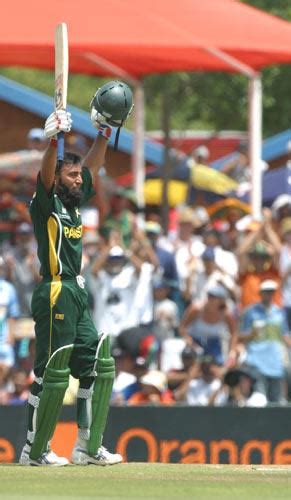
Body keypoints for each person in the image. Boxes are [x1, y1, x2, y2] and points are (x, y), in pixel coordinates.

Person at [19, 82, 133, 467]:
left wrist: (103, 131)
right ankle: (35, 450)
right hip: (53, 290)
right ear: (59, 178)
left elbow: (94, 165)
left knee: (99, 362)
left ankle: (88, 446)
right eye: (72, 175)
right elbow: (48, 172)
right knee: (52, 371)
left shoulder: (75, 200)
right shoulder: (46, 201)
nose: (79, 179)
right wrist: (54, 141)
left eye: (80, 176)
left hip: (77, 292)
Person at [239, 280, 291, 403]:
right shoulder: (250, 312)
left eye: (271, 292)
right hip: (256, 361)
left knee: (276, 399)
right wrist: (252, 333)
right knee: (259, 398)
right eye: (266, 292)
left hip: (275, 362)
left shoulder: (279, 313)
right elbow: (241, 336)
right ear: (261, 293)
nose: (269, 295)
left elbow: (285, 336)